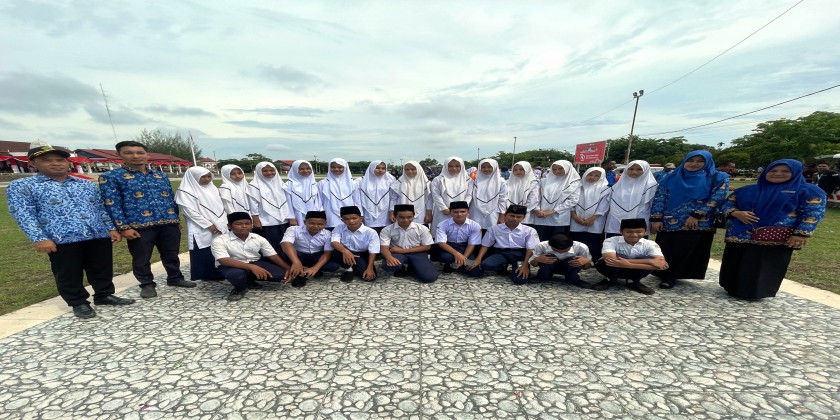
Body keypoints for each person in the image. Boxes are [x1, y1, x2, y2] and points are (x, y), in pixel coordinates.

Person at [7, 142, 135, 318]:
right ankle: (78, 302)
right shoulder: (23, 186)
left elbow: (100, 208)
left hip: (96, 233)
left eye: (60, 160)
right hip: (61, 237)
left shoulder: (85, 184)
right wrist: (39, 238)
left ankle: (104, 295)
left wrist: (111, 228)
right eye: (47, 160)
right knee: (68, 272)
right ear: (33, 163)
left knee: (101, 267)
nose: (55, 163)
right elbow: (23, 214)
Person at [100, 140, 195, 299]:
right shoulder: (111, 177)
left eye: (140, 152)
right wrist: (123, 227)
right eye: (129, 153)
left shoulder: (159, 175)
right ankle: (147, 284)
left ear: (147, 155)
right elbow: (112, 203)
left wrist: (175, 219)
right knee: (142, 258)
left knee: (171, 254)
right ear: (119, 155)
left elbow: (170, 198)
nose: (136, 156)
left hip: (168, 222)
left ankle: (175, 278)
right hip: (138, 226)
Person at [719, 160, 826, 300]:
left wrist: (801, 234)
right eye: (773, 170)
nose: (778, 174)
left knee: (763, 265)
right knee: (736, 262)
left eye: (785, 171)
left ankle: (754, 293)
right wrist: (735, 213)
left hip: (773, 238)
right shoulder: (747, 190)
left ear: (796, 173)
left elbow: (813, 213)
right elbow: (727, 204)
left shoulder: (808, 191)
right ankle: (731, 288)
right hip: (740, 234)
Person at [650, 150, 729, 289]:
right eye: (690, 160)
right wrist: (657, 218)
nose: (694, 164)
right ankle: (663, 272)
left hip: (698, 222)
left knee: (687, 249)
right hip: (670, 221)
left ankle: (673, 276)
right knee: (667, 248)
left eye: (700, 161)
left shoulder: (717, 177)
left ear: (707, 162)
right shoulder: (671, 177)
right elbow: (660, 198)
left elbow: (717, 198)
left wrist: (696, 215)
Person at [211, 212, 292, 301]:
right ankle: (240, 288)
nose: (244, 226)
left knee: (281, 275)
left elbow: (273, 256)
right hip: (233, 266)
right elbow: (223, 260)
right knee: (235, 275)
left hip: (255, 263)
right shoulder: (220, 240)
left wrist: (288, 269)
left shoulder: (258, 238)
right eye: (239, 224)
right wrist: (251, 267)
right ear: (229, 226)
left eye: (247, 223)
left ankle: (249, 280)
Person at [175, 167, 228, 281]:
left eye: (209, 176)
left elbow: (220, 206)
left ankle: (220, 273)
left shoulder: (213, 188)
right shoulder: (185, 191)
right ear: (193, 177)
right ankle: (205, 275)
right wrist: (208, 225)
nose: (207, 179)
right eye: (203, 176)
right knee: (204, 249)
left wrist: (222, 222)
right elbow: (189, 211)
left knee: (219, 247)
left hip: (218, 223)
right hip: (199, 225)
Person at [593, 218, 669, 295]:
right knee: (603, 263)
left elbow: (660, 264)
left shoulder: (650, 244)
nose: (634, 235)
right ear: (621, 232)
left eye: (639, 232)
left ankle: (633, 281)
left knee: (654, 263)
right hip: (615, 267)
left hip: (632, 268)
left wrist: (629, 265)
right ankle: (610, 279)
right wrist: (649, 261)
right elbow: (610, 259)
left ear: (645, 231)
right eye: (629, 232)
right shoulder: (610, 240)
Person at [467, 204, 540, 284]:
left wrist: (525, 265)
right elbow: (485, 245)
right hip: (502, 253)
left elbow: (530, 249)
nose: (514, 219)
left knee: (520, 280)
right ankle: (502, 266)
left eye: (519, 217)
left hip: (519, 255)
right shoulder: (494, 228)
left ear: (523, 218)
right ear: (505, 215)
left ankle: (515, 267)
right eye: (511, 216)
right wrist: (478, 259)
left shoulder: (529, 230)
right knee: (485, 265)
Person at [380, 204, 439, 283]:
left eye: (409, 217)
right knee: (388, 266)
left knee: (430, 277)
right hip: (397, 254)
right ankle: (400, 268)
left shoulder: (422, 228)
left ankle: (413, 265)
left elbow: (427, 247)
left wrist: (403, 250)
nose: (406, 220)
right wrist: (388, 257)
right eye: (401, 217)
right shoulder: (387, 230)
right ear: (395, 216)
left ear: (413, 215)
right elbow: (384, 247)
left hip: (417, 253)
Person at [280, 210, 339, 287]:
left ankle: (311, 270)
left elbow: (327, 253)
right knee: (285, 255)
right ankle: (300, 274)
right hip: (299, 255)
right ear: (305, 222)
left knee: (333, 266)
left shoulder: (328, 234)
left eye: (320, 224)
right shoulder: (293, 229)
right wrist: (296, 262)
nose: (316, 226)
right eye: (312, 223)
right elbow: (286, 244)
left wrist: (315, 268)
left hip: (316, 256)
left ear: (325, 224)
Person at [248, 162, 294, 253]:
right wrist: (255, 219)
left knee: (285, 243)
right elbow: (253, 203)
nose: (269, 173)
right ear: (259, 172)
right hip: (266, 221)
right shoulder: (253, 186)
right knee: (271, 246)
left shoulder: (280, 183)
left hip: (283, 220)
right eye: (265, 171)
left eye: (272, 170)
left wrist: (290, 217)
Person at [605, 160, 658, 236]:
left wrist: (654, 222)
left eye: (639, 169)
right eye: (631, 169)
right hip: (615, 223)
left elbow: (655, 207)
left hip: (639, 222)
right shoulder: (616, 187)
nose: (634, 172)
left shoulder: (651, 187)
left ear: (646, 170)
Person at [570, 167, 611, 262]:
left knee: (594, 241)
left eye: (597, 176)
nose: (592, 177)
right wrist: (575, 216)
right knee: (577, 240)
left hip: (596, 220)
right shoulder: (577, 187)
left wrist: (592, 218)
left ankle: (592, 260)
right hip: (576, 219)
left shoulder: (605, 189)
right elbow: (572, 203)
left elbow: (603, 206)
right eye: (590, 174)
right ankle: (577, 260)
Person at [532, 160, 580, 240]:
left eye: (560, 168)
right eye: (554, 169)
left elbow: (572, 200)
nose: (557, 171)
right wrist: (537, 209)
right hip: (541, 218)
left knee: (558, 243)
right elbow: (537, 196)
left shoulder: (574, 183)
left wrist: (552, 211)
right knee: (541, 243)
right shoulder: (544, 181)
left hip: (560, 219)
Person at [330, 206, 379, 282]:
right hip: (344, 252)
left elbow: (373, 251)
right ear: (342, 220)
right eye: (346, 219)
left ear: (361, 218)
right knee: (337, 251)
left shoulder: (371, 232)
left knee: (368, 277)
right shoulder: (339, 228)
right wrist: (345, 251)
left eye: (354, 218)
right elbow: (334, 242)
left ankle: (355, 266)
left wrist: (370, 268)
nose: (351, 221)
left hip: (362, 254)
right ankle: (348, 269)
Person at [529, 233, 594, 289]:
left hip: (570, 266)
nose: (560, 253)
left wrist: (587, 261)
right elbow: (533, 264)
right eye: (556, 250)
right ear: (550, 245)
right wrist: (537, 259)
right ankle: (542, 277)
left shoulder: (581, 247)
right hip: (549, 266)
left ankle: (573, 279)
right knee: (549, 256)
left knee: (574, 259)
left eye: (564, 251)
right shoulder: (541, 245)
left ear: (571, 245)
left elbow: (586, 268)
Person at [430, 156, 472, 236]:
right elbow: (436, 195)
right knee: (442, 233)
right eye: (450, 166)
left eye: (457, 166)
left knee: (460, 234)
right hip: (443, 212)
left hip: (461, 212)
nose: (454, 168)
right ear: (446, 166)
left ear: (462, 166)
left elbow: (469, 195)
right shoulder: (438, 179)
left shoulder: (468, 180)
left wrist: (461, 208)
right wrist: (443, 208)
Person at [318, 158, 361, 229]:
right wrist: (320, 216)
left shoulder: (352, 183)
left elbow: (357, 200)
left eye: (340, 167)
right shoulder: (322, 183)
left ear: (345, 168)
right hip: (330, 215)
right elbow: (319, 201)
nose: (336, 169)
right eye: (333, 167)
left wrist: (360, 214)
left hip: (349, 216)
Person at [469, 158, 508, 230]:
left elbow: (502, 199)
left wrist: (502, 216)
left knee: (492, 231)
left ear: (494, 167)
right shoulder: (474, 181)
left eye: (489, 167)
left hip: (493, 211)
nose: (486, 169)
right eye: (483, 167)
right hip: (475, 211)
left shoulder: (501, 181)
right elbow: (469, 196)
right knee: (475, 230)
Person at [357, 161, 396, 232]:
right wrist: (360, 214)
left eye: (383, 168)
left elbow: (393, 197)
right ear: (371, 168)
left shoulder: (390, 180)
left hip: (385, 214)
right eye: (377, 168)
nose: (380, 170)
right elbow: (357, 199)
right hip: (368, 213)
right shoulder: (361, 181)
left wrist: (392, 211)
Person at [389, 161, 433, 225]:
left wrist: (429, 213)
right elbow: (394, 199)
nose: (409, 171)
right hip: (402, 215)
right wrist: (391, 212)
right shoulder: (398, 183)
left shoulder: (426, 184)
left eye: (413, 169)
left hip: (421, 215)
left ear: (418, 169)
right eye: (407, 169)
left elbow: (429, 200)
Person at [285, 160, 323, 227]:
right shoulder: (288, 185)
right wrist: (291, 218)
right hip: (297, 215)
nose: (305, 171)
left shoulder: (315, 184)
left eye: (308, 168)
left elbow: (318, 201)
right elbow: (288, 203)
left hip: (313, 215)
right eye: (301, 169)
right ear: (295, 170)